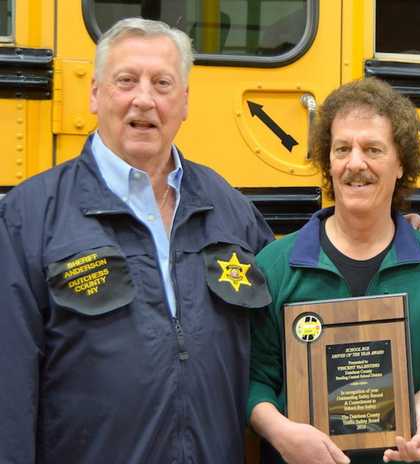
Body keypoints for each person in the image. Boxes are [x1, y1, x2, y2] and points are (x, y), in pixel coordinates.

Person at [0, 18, 274, 463]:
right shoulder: (29, 217)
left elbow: (291, 316)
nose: (144, 99)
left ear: (184, 102)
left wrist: (386, 238)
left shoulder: (228, 209)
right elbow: (8, 386)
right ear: (94, 94)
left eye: (162, 83)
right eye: (126, 80)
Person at [248, 77, 420, 464]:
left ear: (401, 163)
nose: (356, 163)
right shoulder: (276, 264)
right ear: (327, 161)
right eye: (342, 149)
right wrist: (279, 432)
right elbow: (254, 377)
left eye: (373, 149)